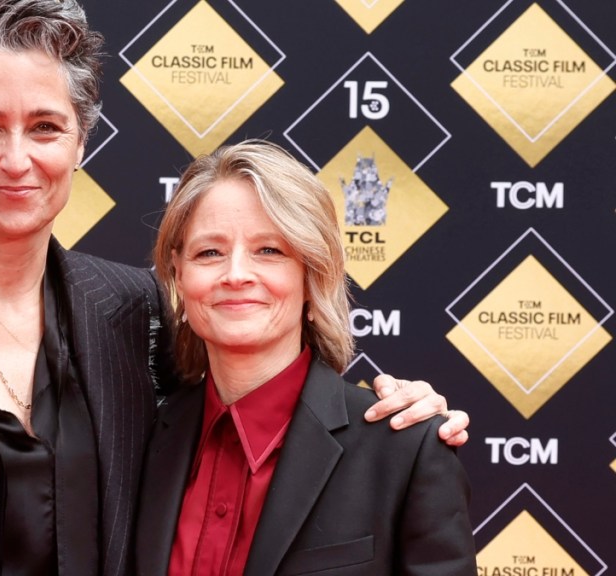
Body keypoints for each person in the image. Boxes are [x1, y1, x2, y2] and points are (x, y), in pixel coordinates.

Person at [0, 1, 470, 574]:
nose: (16, 159)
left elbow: (263, 405)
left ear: (81, 142)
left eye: (47, 127)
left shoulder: (130, 310)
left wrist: (395, 406)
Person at [136, 140, 476, 575]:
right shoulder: (140, 440)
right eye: (209, 252)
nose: (236, 274)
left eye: (269, 251)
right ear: (179, 276)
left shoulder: (405, 449)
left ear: (313, 278)